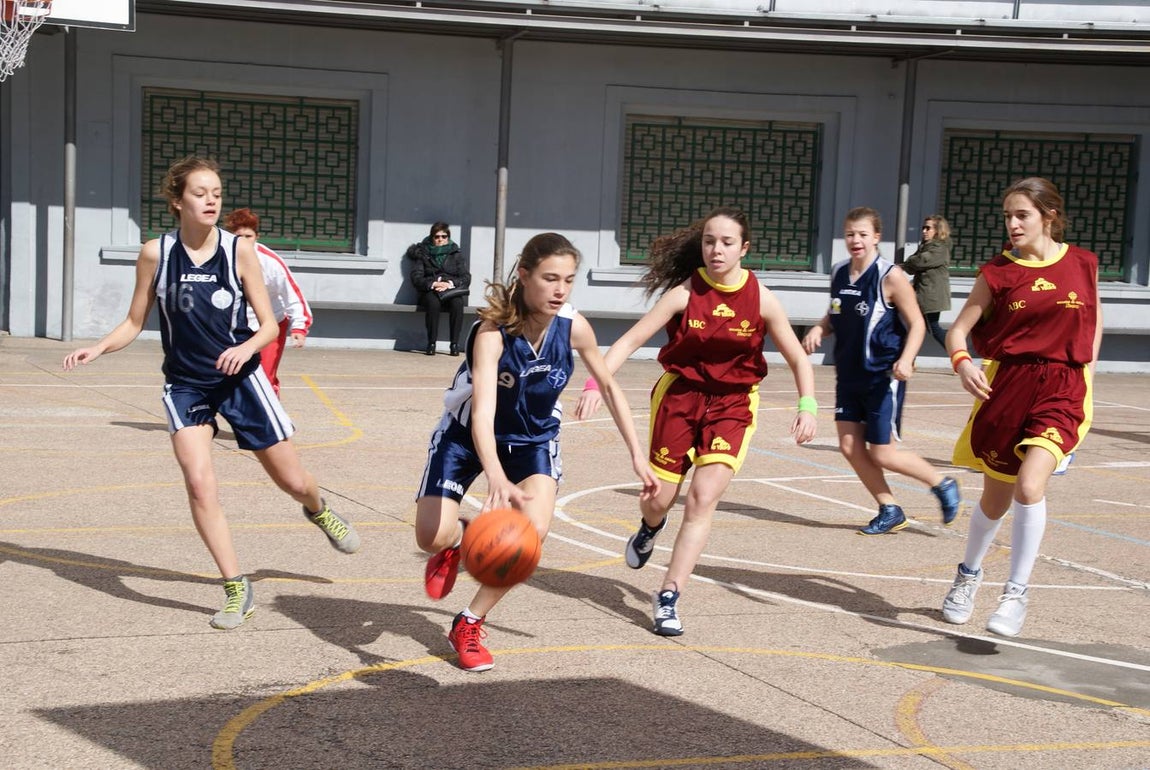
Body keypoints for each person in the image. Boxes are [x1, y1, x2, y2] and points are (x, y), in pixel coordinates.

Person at [62, 156, 361, 630]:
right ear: (177, 200)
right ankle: (236, 586)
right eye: (200, 193)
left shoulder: (239, 251)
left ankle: (318, 510)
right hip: (186, 383)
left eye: (216, 194)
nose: (211, 201)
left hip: (239, 379)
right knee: (199, 483)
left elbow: (267, 327)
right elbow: (134, 322)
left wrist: (245, 350)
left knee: (291, 481)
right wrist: (99, 347)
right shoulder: (155, 254)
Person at [416, 232, 659, 672]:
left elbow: (609, 386)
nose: (560, 289)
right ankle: (460, 540)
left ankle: (469, 621)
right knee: (430, 537)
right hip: (466, 436)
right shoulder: (491, 334)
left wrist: (637, 455)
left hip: (534, 442)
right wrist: (494, 474)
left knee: (532, 534)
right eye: (550, 278)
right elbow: (484, 413)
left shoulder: (574, 326)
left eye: (568, 279)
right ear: (525, 276)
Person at [574, 206, 818, 637]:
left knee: (703, 498)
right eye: (709, 241)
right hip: (680, 398)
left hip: (733, 404)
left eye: (726, 242)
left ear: (744, 248)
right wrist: (596, 385)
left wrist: (808, 405)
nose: (716, 249)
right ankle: (651, 527)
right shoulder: (684, 294)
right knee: (657, 498)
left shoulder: (761, 299)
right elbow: (629, 341)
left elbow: (797, 356)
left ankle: (669, 594)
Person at [941, 177, 1101, 637]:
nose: (1012, 224)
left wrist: (1087, 378)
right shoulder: (997, 272)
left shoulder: (1083, 263)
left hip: (1063, 387)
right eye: (1007, 216)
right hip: (1008, 385)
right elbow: (957, 332)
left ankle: (1016, 593)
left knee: (1031, 487)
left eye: (1021, 215)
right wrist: (962, 361)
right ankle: (968, 576)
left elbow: (1093, 329)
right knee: (995, 499)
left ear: (1049, 215)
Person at [802, 207, 961, 536]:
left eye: (862, 234)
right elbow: (836, 310)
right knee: (849, 446)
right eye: (849, 234)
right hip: (849, 375)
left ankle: (942, 483)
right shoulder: (839, 272)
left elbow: (917, 323)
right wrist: (820, 328)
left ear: (876, 237)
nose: (855, 240)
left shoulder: (890, 276)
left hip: (881, 376)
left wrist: (907, 358)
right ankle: (889, 509)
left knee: (883, 452)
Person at [223, 208, 313, 396]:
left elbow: (293, 294)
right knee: (228, 373)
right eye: (239, 236)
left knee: (265, 377)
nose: (244, 241)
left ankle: (272, 420)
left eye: (249, 236)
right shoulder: (220, 259)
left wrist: (299, 327)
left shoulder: (270, 262)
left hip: (270, 325)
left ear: (257, 236)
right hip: (235, 327)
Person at [407, 222, 471, 356]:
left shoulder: (456, 254)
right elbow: (416, 277)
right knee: (433, 303)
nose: (440, 239)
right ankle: (431, 343)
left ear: (448, 237)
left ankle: (454, 344)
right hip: (430, 291)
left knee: (457, 303)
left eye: (444, 236)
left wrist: (449, 283)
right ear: (432, 238)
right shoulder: (423, 254)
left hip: (450, 290)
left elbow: (466, 277)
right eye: (437, 237)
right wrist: (434, 284)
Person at [902, 214, 953, 349]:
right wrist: (907, 264)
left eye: (928, 228)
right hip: (923, 292)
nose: (924, 231)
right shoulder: (926, 246)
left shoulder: (939, 248)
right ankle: (908, 360)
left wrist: (909, 262)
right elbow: (911, 267)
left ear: (937, 230)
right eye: (923, 228)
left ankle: (958, 356)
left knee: (933, 328)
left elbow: (919, 261)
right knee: (917, 327)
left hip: (931, 294)